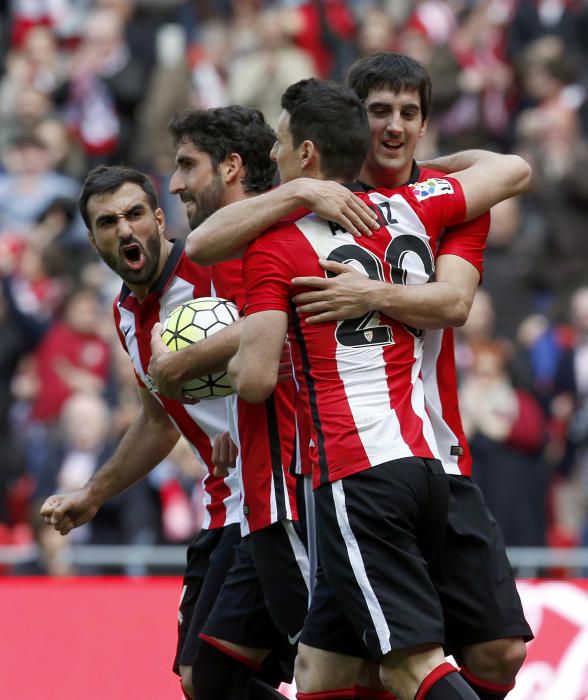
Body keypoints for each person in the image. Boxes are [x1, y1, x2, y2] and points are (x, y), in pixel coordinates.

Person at [226, 78, 530, 700]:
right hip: (406, 459)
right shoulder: (419, 208)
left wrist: (366, 295)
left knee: (418, 664)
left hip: (366, 464)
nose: (393, 127)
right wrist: (307, 191)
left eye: (409, 114)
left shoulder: (285, 240)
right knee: (323, 671)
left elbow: (452, 303)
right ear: (354, 129)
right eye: (378, 114)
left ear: (305, 150)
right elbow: (513, 167)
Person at [38, 164, 243, 700]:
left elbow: (279, 343)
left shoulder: (213, 265)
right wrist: (93, 494)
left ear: (158, 218)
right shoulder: (126, 312)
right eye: (108, 222)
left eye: (134, 215)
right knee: (201, 680)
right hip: (225, 503)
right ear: (93, 239)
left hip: (282, 493)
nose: (125, 230)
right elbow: (159, 421)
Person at [151, 107, 312, 700]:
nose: (175, 183)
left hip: (297, 485)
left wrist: (182, 364)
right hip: (252, 483)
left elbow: (273, 330)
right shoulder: (212, 256)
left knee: (338, 664)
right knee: (208, 678)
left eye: (186, 166)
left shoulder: (270, 238)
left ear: (232, 166)